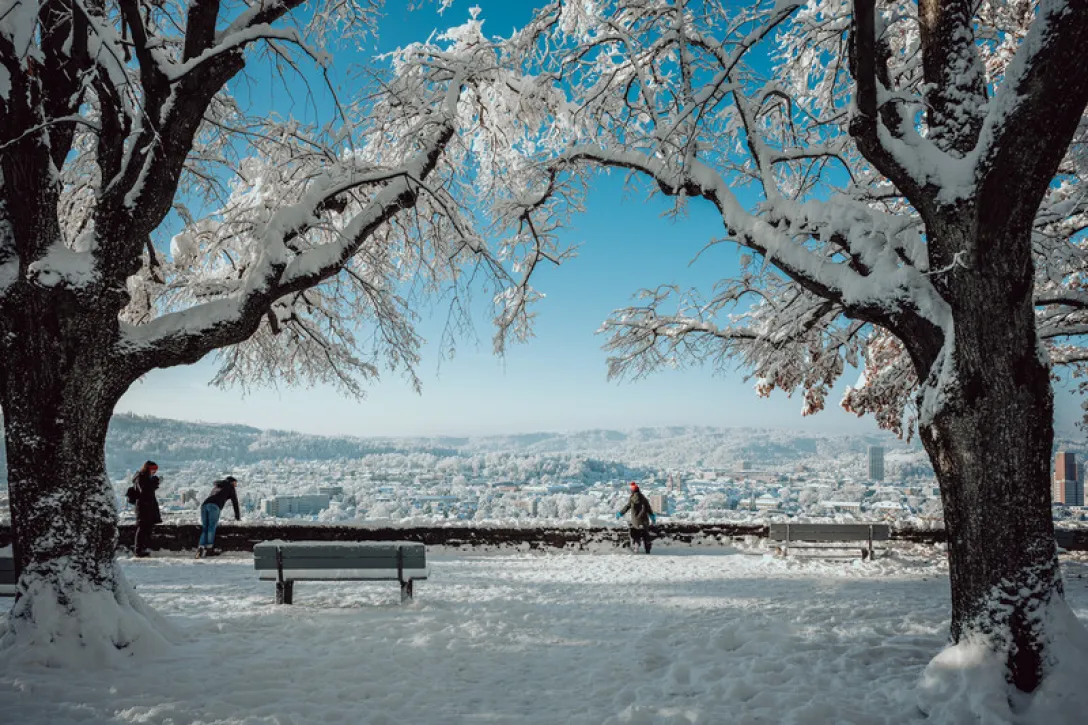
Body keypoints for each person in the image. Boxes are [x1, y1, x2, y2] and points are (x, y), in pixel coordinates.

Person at [197, 476, 241, 558]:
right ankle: (209, 549)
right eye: (235, 483)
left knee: (205, 528)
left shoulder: (217, 485)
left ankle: (201, 548)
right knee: (211, 527)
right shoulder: (230, 486)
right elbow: (235, 502)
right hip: (214, 506)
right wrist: (237, 517)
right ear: (231, 482)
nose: (236, 485)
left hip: (204, 505)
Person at [132, 461, 162, 557]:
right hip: (143, 507)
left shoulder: (144, 477)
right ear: (148, 468)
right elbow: (145, 491)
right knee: (142, 528)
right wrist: (155, 482)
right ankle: (138, 550)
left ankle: (142, 548)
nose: (154, 472)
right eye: (153, 470)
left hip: (147, 507)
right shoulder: (141, 477)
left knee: (146, 528)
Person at [616, 481, 656, 553]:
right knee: (645, 533)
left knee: (636, 532)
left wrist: (620, 513)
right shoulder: (644, 499)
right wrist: (652, 517)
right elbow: (649, 509)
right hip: (644, 520)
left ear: (632, 491)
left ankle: (636, 546)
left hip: (635, 520)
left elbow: (627, 507)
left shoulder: (632, 499)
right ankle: (647, 549)